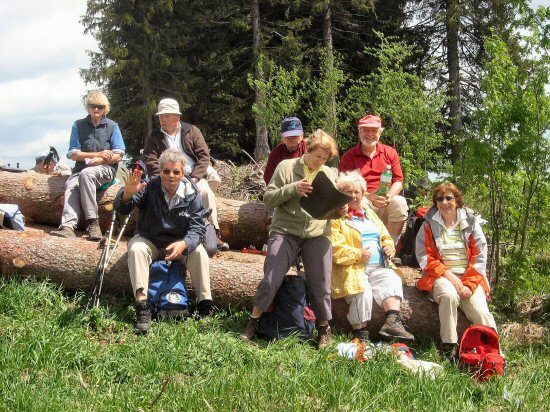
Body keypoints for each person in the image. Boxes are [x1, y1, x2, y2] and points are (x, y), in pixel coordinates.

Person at [239, 129, 339, 349]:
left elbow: (332, 208)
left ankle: (324, 328)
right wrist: (293, 188)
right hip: (286, 230)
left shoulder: (329, 173)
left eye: (324, 158)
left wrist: (341, 209)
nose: (319, 162)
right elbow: (269, 198)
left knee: (321, 282)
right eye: (317, 156)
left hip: (318, 232)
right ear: (307, 149)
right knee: (271, 277)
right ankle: (254, 321)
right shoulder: (286, 167)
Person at [115, 149, 212, 334]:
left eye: (176, 172)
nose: (171, 176)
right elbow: (122, 207)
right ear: (160, 172)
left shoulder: (193, 194)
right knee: (136, 248)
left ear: (183, 173)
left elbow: (198, 229)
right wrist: (127, 194)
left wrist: (184, 244)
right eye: (166, 171)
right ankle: (142, 309)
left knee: (199, 252)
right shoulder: (149, 187)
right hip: (151, 240)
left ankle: (205, 307)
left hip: (179, 245)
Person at [415, 182, 496, 360]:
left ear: (457, 200)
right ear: (435, 202)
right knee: (449, 296)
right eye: (440, 198)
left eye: (449, 198)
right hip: (441, 275)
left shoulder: (471, 223)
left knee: (480, 311)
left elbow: (479, 258)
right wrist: (450, 276)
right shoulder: (428, 225)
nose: (444, 202)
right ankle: (449, 347)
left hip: (470, 276)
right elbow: (425, 257)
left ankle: (493, 352)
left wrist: (468, 284)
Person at [331, 171, 414, 342]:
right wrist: (358, 254)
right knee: (362, 290)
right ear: (340, 195)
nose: (354, 196)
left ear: (362, 195)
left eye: (357, 192)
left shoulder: (368, 212)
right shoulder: (334, 217)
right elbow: (334, 249)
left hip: (379, 265)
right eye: (348, 192)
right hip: (352, 267)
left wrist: (389, 246)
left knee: (391, 278)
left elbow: (384, 235)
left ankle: (393, 322)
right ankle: (360, 335)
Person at [144, 98, 229, 251]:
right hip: (168, 177)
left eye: (167, 116)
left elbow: (204, 156)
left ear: (177, 117)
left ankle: (212, 233)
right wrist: (164, 178)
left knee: (204, 191)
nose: (163, 119)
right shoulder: (154, 137)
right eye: (161, 116)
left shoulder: (192, 131)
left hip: (192, 175)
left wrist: (195, 178)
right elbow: (151, 161)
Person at [51, 90, 125, 240]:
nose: (96, 109)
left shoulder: (113, 126)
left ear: (105, 108)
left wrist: (102, 160)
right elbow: (73, 153)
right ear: (88, 107)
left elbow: (119, 154)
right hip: (80, 169)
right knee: (71, 185)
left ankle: (93, 223)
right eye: (93, 106)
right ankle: (68, 227)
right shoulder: (78, 125)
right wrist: (97, 155)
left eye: (100, 106)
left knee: (87, 174)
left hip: (106, 170)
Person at [339, 115, 408, 245]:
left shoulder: (390, 152)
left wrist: (389, 196)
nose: (370, 134)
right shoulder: (349, 156)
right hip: (364, 199)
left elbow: (399, 180)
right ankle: (364, 245)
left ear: (380, 132)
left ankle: (390, 248)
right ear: (359, 132)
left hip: (386, 200)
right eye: (366, 130)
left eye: (374, 130)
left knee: (400, 202)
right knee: (359, 201)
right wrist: (370, 196)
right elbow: (343, 187)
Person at [263, 116, 307, 186]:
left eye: (295, 135)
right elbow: (269, 179)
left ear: (302, 136)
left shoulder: (309, 149)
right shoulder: (275, 154)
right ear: (282, 137)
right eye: (288, 136)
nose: (291, 138)